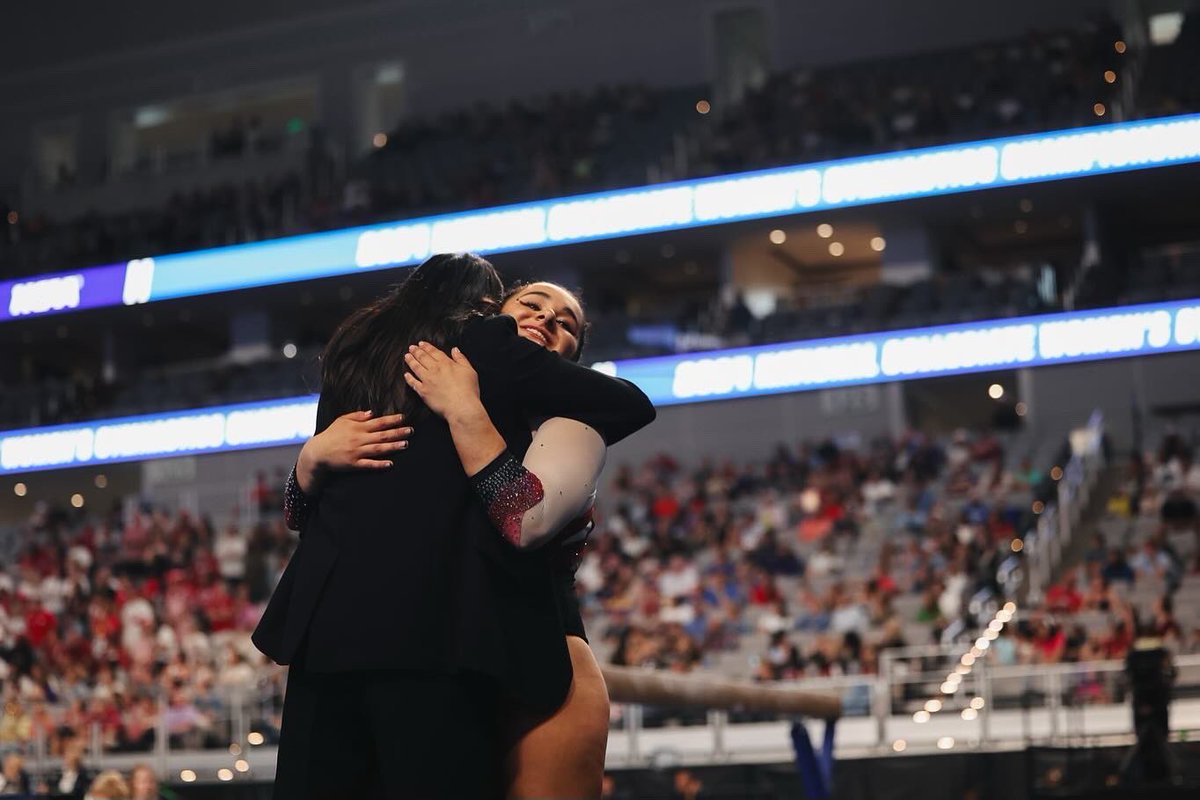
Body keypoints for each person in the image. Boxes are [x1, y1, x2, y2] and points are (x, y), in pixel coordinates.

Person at [253, 254, 655, 799]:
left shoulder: (567, 421)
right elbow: (307, 514)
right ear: (490, 313)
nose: (545, 319)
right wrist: (309, 461)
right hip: (410, 634)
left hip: (519, 645)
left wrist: (465, 407)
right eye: (531, 305)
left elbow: (523, 519)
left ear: (572, 359)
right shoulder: (431, 369)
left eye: (566, 324)